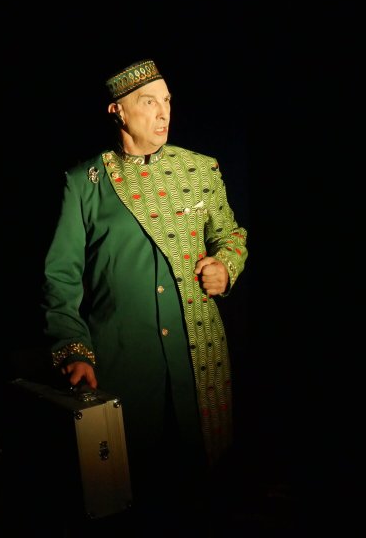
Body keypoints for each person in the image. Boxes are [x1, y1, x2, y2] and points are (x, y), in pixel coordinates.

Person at [41, 58, 248, 534]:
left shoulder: (199, 169)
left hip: (199, 361)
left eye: (167, 101)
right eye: (149, 102)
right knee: (133, 494)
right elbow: (61, 278)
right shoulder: (84, 184)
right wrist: (74, 349)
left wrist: (226, 266)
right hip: (124, 368)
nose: (163, 113)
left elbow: (231, 235)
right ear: (118, 111)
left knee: (204, 490)